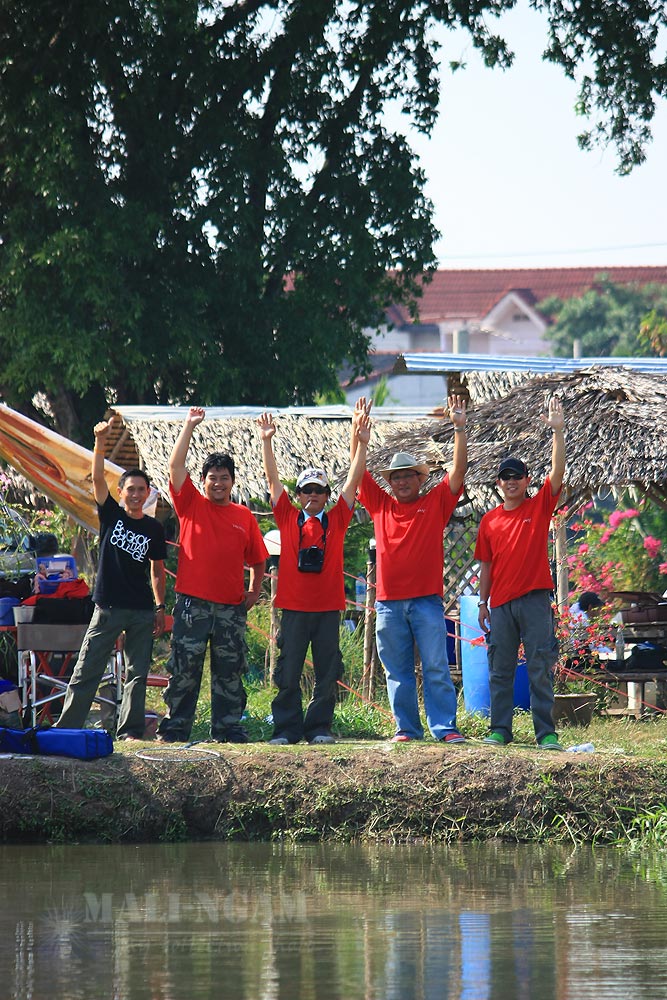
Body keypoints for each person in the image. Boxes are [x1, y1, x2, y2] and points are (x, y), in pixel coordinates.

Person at [256, 403, 371, 745]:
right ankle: (287, 729)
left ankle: (319, 727)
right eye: (307, 490)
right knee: (287, 671)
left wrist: (362, 443)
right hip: (293, 608)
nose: (313, 496)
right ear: (299, 494)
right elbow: (272, 479)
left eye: (319, 491)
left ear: (326, 496)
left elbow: (353, 483)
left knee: (327, 671)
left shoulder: (337, 520)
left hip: (326, 608)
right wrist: (266, 441)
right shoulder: (288, 518)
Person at [356, 395, 468, 744]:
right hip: (388, 603)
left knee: (436, 668)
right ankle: (406, 728)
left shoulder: (434, 503)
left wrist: (460, 429)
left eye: (408, 476)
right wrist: (358, 438)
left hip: (426, 602)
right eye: (396, 477)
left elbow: (458, 472)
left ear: (420, 479)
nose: (402, 482)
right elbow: (356, 473)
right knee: (397, 672)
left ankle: (445, 728)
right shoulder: (379, 504)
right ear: (389, 482)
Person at [157, 407, 268, 744]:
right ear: (203, 481)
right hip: (192, 605)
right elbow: (175, 468)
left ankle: (228, 728)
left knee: (229, 672)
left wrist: (253, 592)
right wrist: (189, 426)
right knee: (184, 670)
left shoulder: (243, 515)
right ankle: (175, 728)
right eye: (212, 477)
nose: (218, 483)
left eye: (224, 477)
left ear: (232, 482)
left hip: (231, 608)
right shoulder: (190, 504)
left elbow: (258, 560)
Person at [56, 418, 167, 740]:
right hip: (107, 606)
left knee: (137, 673)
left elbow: (157, 570)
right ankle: (67, 729)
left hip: (142, 610)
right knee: (88, 668)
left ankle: (130, 731)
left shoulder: (153, 528)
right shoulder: (111, 514)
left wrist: (160, 607)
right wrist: (100, 442)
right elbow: (97, 478)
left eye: (140, 490)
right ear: (121, 492)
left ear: (147, 494)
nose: (135, 494)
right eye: (130, 489)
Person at [475, 396, 566, 751]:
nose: (511, 481)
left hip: (535, 601)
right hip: (500, 606)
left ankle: (546, 733)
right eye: (505, 477)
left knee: (540, 667)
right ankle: (500, 729)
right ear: (498, 483)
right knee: (500, 669)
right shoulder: (489, 520)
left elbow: (557, 474)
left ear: (527, 480)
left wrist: (558, 433)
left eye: (517, 476)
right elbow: (486, 565)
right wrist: (483, 603)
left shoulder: (539, 506)